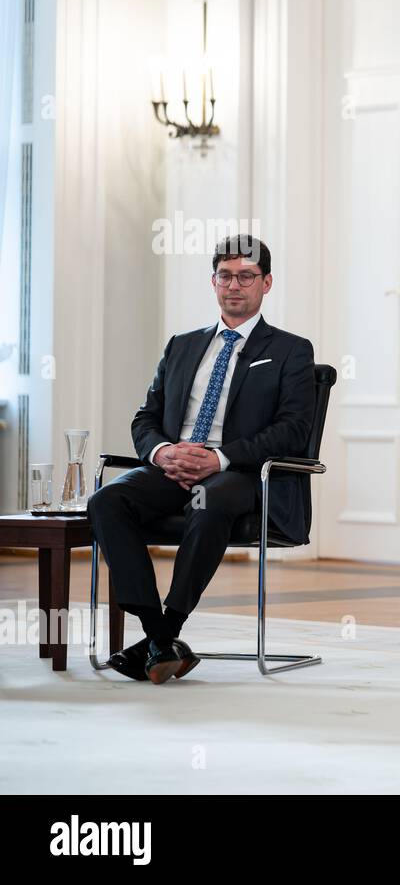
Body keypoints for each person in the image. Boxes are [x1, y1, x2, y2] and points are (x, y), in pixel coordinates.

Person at [88, 236, 316, 684]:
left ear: (266, 283)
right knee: (105, 502)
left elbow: (292, 430)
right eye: (225, 276)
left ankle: (165, 632)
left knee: (209, 501)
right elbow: (146, 417)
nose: (235, 285)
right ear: (213, 282)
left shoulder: (291, 350)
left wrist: (220, 458)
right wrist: (162, 451)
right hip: (171, 469)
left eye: (246, 276)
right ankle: (158, 637)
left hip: (239, 475)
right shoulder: (182, 345)